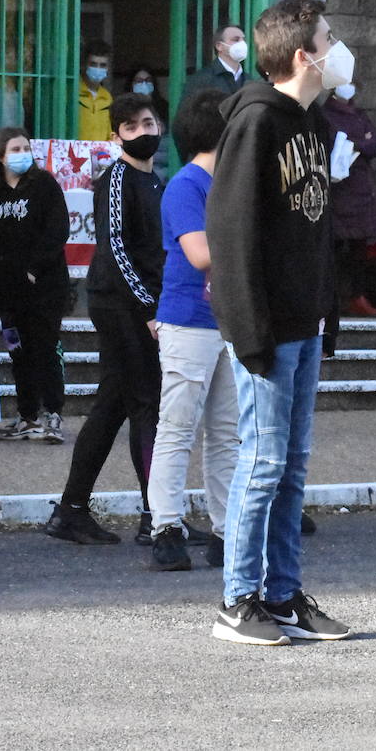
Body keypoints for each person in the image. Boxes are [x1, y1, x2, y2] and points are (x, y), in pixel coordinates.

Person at [207, 0, 351, 645]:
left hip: (304, 321)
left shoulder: (310, 123)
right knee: (261, 464)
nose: (335, 48)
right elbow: (233, 234)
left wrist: (327, 311)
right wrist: (249, 331)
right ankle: (238, 602)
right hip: (265, 329)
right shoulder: (257, 123)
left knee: (292, 467)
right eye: (328, 37)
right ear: (304, 55)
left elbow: (314, 232)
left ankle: (283, 594)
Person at [45, 94, 164, 546]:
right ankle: (157, 516)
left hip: (144, 304)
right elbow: (115, 248)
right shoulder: (116, 178)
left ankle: (71, 510)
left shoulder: (158, 182)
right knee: (145, 404)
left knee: (114, 404)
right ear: (116, 137)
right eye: (131, 127)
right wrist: (149, 309)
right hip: (118, 304)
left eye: (149, 123)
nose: (143, 133)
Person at [144, 89, 239, 572]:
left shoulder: (229, 183)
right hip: (189, 321)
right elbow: (201, 255)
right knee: (177, 428)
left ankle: (226, 530)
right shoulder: (187, 186)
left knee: (227, 433)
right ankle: (166, 526)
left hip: (229, 322)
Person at [0, 127, 70, 444]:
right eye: (15, 149)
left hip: (44, 291)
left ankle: (52, 413)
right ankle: (27, 416)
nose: (22, 153)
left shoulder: (44, 186)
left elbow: (57, 230)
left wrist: (34, 268)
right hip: (8, 297)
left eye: (25, 147)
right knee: (18, 352)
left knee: (45, 349)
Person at [322, 81, 376, 317]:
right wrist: (360, 142)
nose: (347, 87)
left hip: (361, 189)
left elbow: (375, 144)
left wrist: (354, 144)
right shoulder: (326, 114)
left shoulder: (359, 114)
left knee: (360, 247)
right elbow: (333, 145)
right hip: (340, 188)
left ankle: (357, 297)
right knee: (337, 246)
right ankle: (334, 298)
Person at [179, 24, 253, 110]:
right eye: (236, 40)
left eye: (243, 39)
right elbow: (185, 116)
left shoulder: (250, 80)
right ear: (219, 46)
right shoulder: (201, 80)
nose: (242, 44)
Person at [77, 40, 113, 142]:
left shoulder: (107, 97)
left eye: (103, 65)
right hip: (75, 154)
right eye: (93, 64)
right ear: (84, 65)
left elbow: (109, 134)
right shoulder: (73, 93)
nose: (98, 68)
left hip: (100, 155)